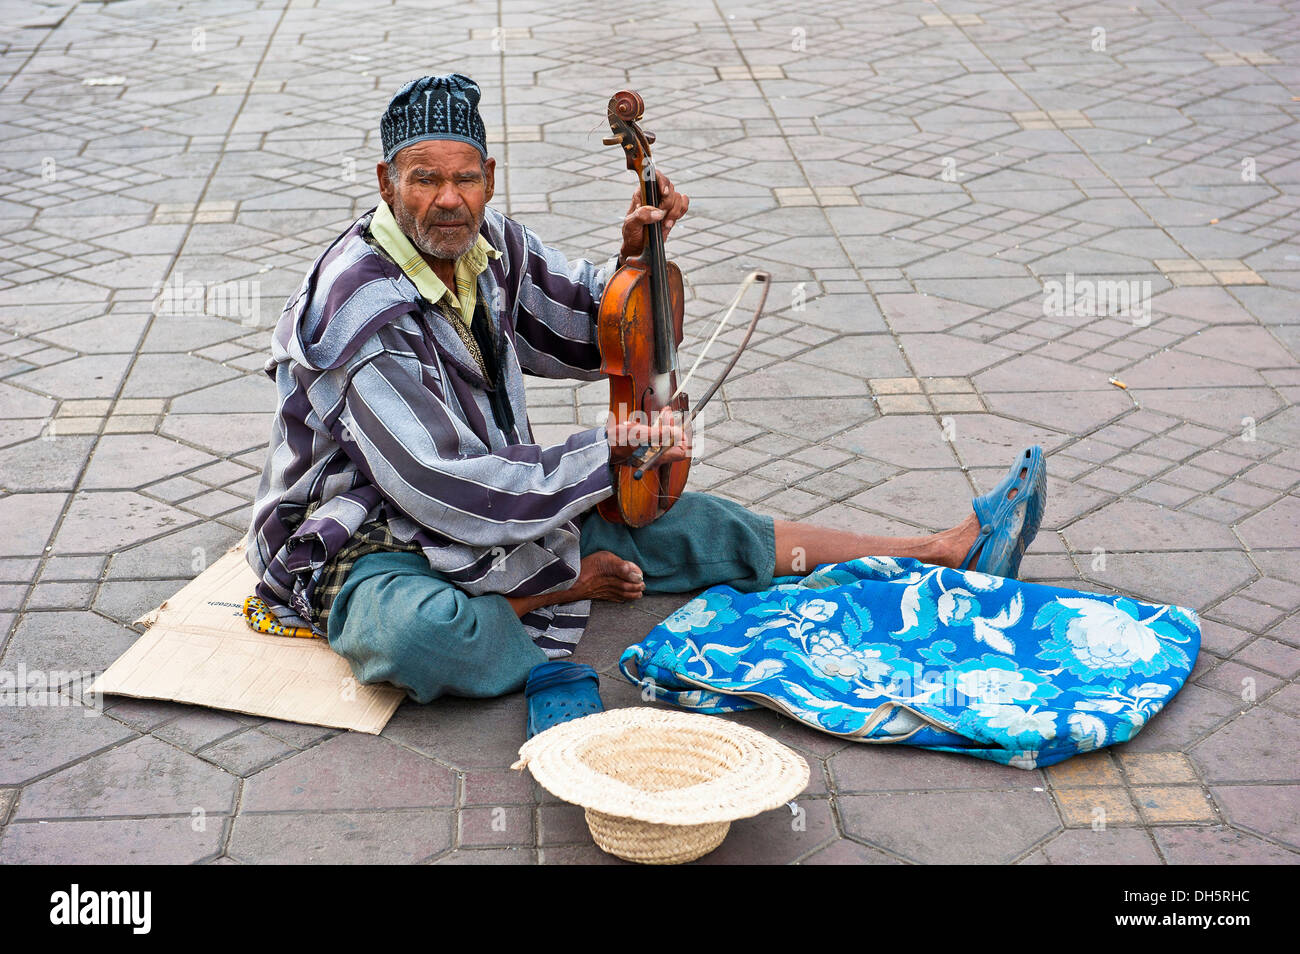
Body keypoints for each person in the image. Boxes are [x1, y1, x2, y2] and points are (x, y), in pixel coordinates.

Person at [245, 73, 1046, 704]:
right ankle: (547, 594)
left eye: (464, 179)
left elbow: (594, 325)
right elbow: (440, 489)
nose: (446, 200)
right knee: (422, 637)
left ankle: (940, 551)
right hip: (365, 531)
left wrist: (640, 256)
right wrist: (612, 450)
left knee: (683, 524)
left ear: (490, 179)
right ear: (387, 183)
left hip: (491, 506)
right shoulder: (357, 311)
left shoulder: (488, 244)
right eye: (423, 180)